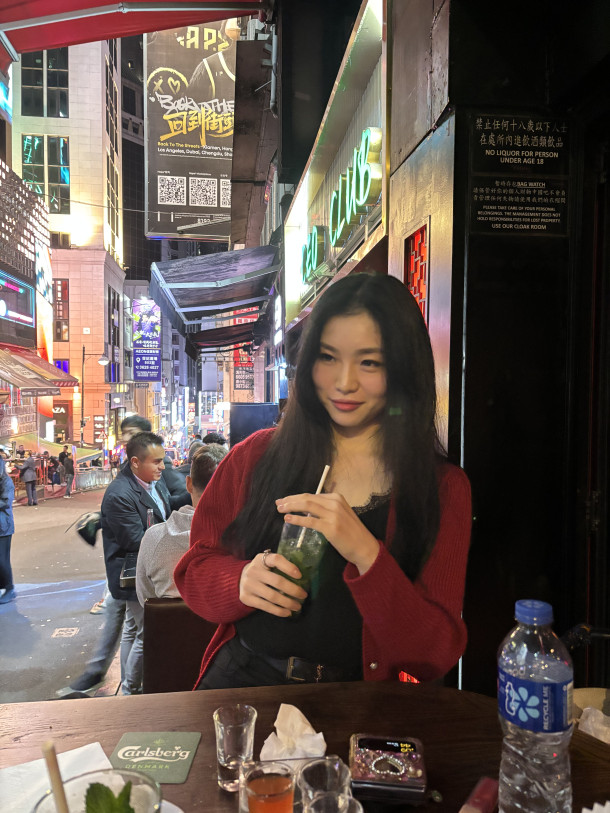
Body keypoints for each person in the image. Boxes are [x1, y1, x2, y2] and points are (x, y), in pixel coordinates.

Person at [175, 273, 472, 689]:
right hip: (243, 681)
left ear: (404, 370)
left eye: (370, 362)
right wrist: (239, 581)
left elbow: (435, 654)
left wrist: (366, 553)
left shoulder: (442, 489)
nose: (344, 382)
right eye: (328, 357)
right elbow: (194, 569)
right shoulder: (254, 456)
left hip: (355, 700)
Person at [100, 431, 170, 694]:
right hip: (134, 573)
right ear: (135, 462)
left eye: (162, 460)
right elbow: (136, 540)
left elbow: (166, 511)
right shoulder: (120, 494)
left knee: (132, 628)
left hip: (145, 569)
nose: (163, 467)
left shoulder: (153, 481)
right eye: (156, 461)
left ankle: (128, 685)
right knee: (146, 632)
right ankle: (131, 689)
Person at [136, 444, 227, 604]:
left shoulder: (154, 538)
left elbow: (145, 599)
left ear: (189, 484)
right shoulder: (246, 540)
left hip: (166, 621)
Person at [0, 457, 16, 605]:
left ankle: (9, 588)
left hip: (3, 527)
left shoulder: (6, 482)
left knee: (2, 560)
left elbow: (6, 502)